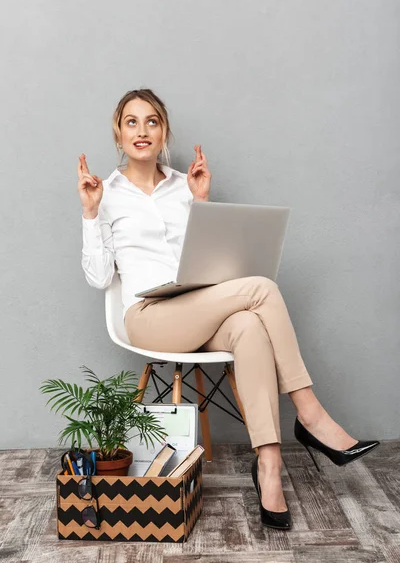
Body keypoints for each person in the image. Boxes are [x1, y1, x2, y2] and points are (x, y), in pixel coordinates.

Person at [77, 88, 380, 530]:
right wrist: (89, 213)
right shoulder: (105, 194)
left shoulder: (185, 185)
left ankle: (270, 469)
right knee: (260, 288)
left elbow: (209, 261)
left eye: (152, 121)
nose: (142, 131)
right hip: (149, 317)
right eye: (132, 122)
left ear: (164, 132)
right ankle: (311, 415)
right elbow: (100, 278)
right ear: (118, 133)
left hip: (196, 305)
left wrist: (201, 202)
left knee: (249, 326)